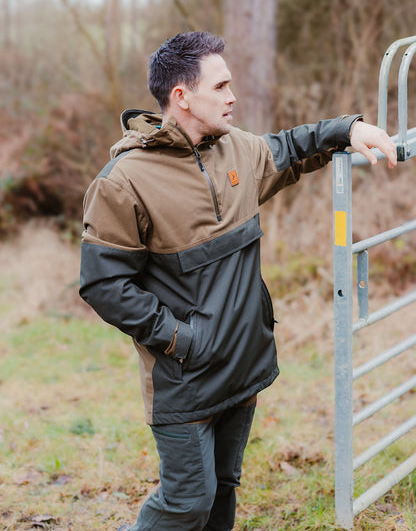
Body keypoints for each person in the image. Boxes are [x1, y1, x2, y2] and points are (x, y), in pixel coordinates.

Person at [79, 31, 397, 531]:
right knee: (187, 503)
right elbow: (103, 284)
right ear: (181, 96)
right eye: (221, 86)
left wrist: (348, 129)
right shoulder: (124, 181)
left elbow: (293, 147)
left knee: (223, 490)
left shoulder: (238, 151)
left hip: (242, 363)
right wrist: (182, 340)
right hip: (183, 376)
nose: (233, 97)